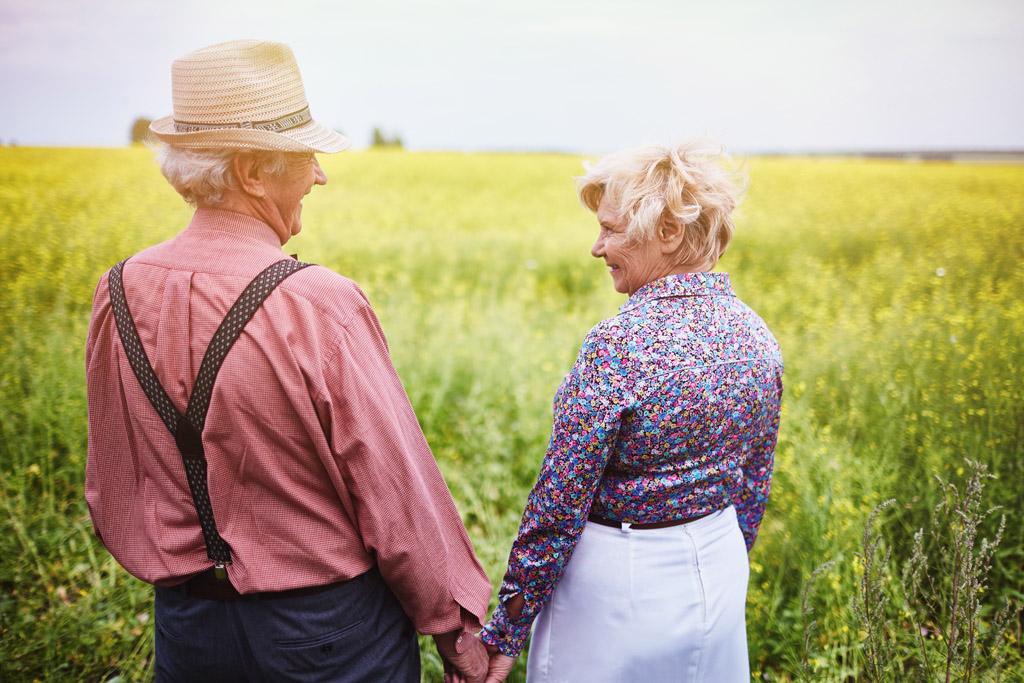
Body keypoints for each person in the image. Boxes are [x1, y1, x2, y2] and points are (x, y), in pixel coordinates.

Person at [84, 39, 493, 682]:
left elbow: (112, 476)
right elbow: (396, 494)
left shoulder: (117, 292)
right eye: (304, 158)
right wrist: (455, 626)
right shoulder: (316, 303)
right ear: (251, 171)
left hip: (187, 631)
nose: (320, 175)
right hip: (330, 637)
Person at [479, 142, 783, 682]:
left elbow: (559, 504)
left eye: (611, 229)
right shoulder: (757, 335)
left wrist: (506, 632)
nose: (596, 247)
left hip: (618, 594)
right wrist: (719, 564)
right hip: (718, 572)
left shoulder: (618, 345)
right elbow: (752, 487)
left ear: (667, 231)